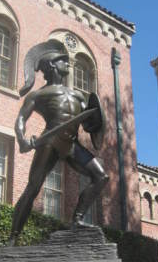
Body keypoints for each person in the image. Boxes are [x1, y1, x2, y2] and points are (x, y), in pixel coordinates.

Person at [9, 39, 108, 245]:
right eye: (64, 61)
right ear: (52, 65)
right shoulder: (38, 95)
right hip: (50, 143)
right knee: (33, 188)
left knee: (101, 176)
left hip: (72, 144)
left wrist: (96, 122)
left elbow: (91, 125)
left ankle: (77, 219)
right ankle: (13, 237)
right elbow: (20, 119)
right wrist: (22, 139)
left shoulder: (78, 96)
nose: (68, 64)